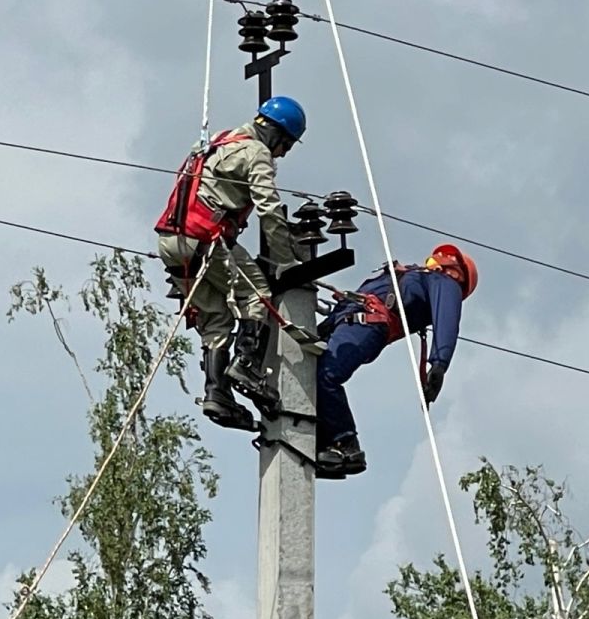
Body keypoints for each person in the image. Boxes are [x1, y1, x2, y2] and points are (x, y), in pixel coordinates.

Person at [155, 97, 309, 432]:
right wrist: (288, 261)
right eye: (285, 146)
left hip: (172, 242)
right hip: (205, 240)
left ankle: (217, 393)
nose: (282, 154)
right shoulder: (256, 153)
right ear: (275, 134)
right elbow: (269, 208)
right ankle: (247, 365)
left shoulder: (215, 143)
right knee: (257, 294)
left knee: (216, 319)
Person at [315, 244, 477, 478]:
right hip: (344, 323)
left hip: (367, 323)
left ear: (456, 272)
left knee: (326, 375)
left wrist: (439, 364)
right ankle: (323, 442)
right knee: (307, 373)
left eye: (447, 258)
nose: (439, 258)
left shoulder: (445, 284)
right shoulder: (416, 275)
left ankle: (347, 446)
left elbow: (447, 321)